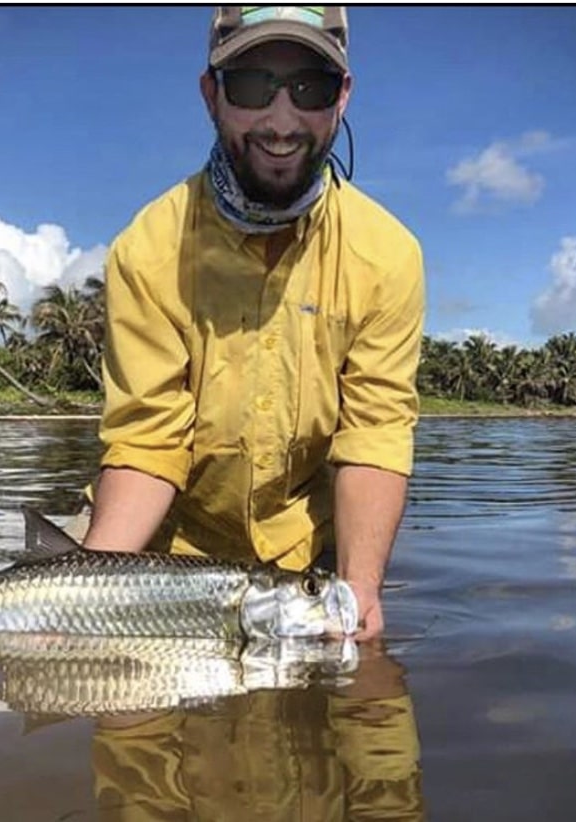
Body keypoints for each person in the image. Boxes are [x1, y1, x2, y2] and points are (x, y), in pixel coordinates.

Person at [79, 6, 425, 640]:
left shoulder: (389, 255)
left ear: (342, 97)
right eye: (250, 86)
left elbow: (373, 435)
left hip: (309, 566)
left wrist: (359, 591)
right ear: (211, 94)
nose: (282, 121)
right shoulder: (146, 248)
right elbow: (147, 442)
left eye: (310, 88)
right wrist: (87, 592)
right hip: (164, 555)